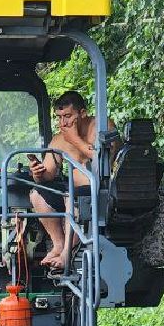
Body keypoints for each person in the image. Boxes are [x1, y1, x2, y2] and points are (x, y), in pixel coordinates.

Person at [28, 91, 112, 270]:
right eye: (59, 117)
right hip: (72, 191)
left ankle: (67, 253)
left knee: (70, 197)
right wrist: (37, 173)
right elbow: (47, 175)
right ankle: (58, 244)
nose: (62, 123)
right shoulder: (59, 140)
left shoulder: (102, 126)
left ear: (82, 113)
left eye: (67, 116)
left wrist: (75, 140)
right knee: (36, 194)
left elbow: (103, 160)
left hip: (101, 190)